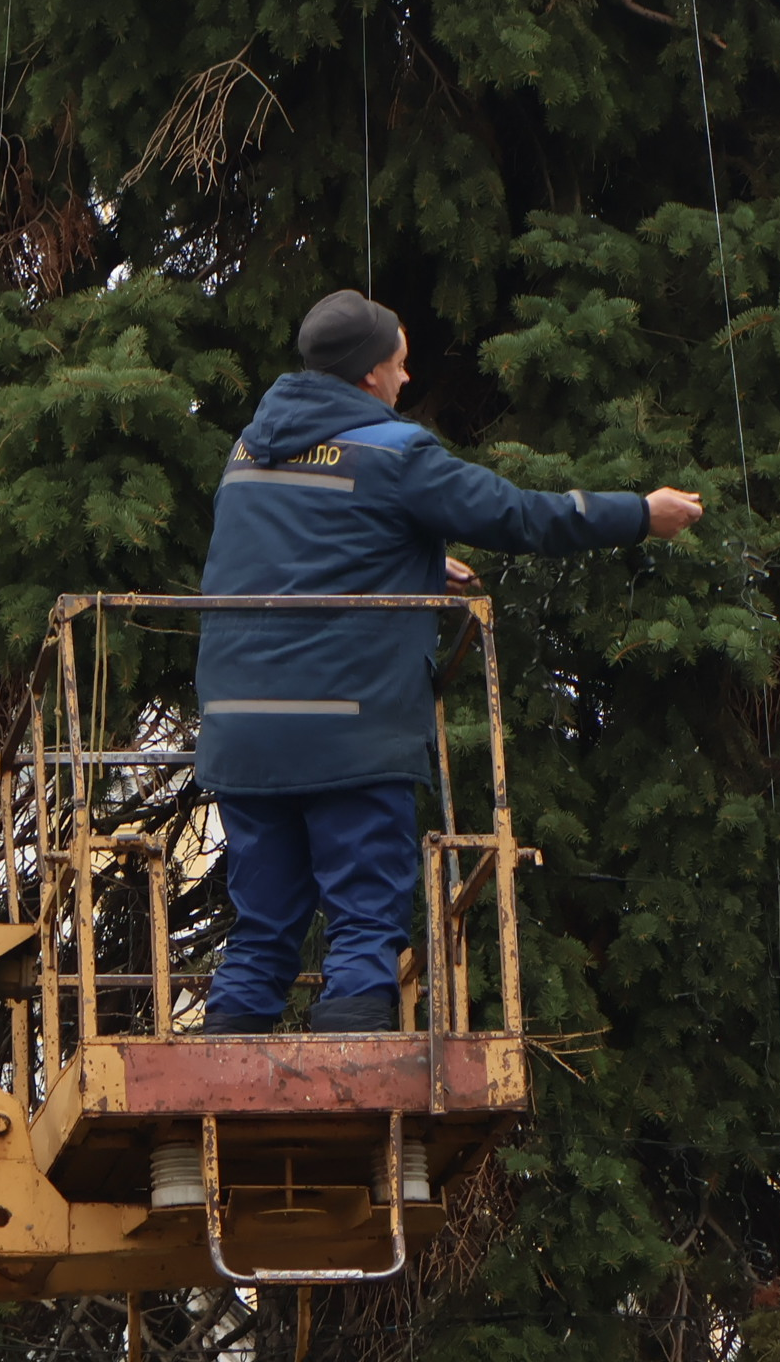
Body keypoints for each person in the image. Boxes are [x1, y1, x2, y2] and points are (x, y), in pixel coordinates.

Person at [194, 290, 703, 1034]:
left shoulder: (245, 456)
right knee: (366, 923)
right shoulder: (397, 453)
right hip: (348, 731)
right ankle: (360, 1095)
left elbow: (291, 560)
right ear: (370, 374)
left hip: (239, 735)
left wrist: (413, 572)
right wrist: (639, 513)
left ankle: (217, 1086)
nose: (405, 381)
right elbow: (518, 514)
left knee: (263, 928)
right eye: (399, 365)